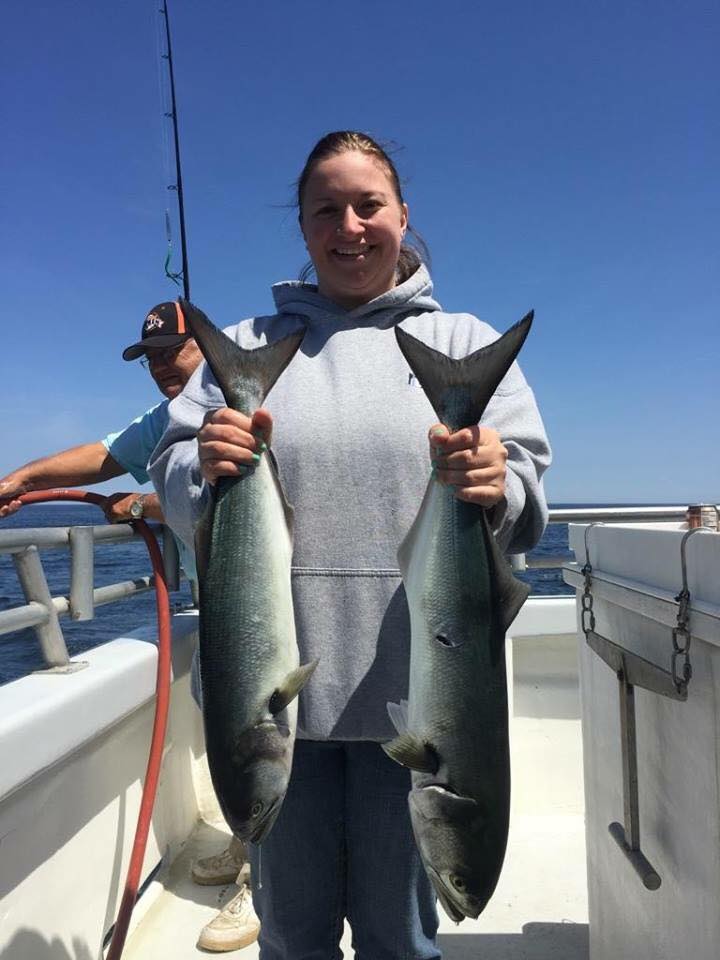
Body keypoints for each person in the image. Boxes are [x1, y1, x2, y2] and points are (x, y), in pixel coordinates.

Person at [149, 130, 552, 959]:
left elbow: (524, 488)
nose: (350, 226)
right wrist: (206, 461)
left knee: (400, 937)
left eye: (369, 205)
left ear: (403, 214)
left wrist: (493, 477)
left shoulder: (462, 344)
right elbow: (172, 468)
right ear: (303, 228)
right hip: (272, 702)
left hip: (419, 699)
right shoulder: (245, 343)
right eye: (326, 210)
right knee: (292, 937)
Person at [0, 302, 260, 953]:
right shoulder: (170, 420)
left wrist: (145, 502)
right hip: (221, 609)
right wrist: (21, 477)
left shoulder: (246, 403)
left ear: (208, 345)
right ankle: (247, 840)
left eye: (173, 351)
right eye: (150, 359)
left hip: (266, 608)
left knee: (268, 733)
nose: (160, 367)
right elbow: (105, 455)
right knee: (234, 733)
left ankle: (267, 875)